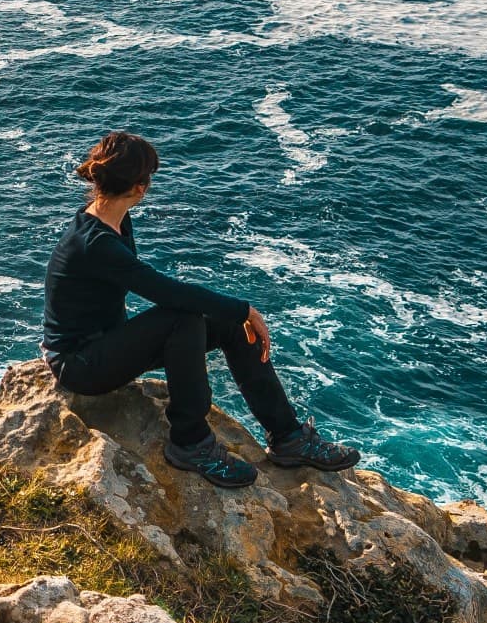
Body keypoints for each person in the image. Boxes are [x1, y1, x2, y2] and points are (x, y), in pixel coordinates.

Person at [42, 128, 358, 489]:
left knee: (227, 326)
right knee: (184, 317)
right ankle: (189, 443)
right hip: (80, 364)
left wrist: (237, 316)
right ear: (139, 188)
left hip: (107, 342)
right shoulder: (96, 243)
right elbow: (165, 291)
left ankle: (288, 436)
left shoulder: (110, 219)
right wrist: (245, 308)